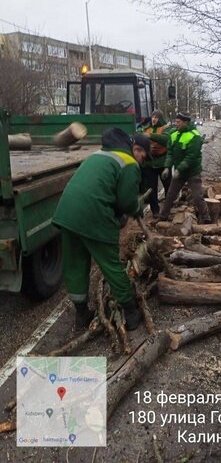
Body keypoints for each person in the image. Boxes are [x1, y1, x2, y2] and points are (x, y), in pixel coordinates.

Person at [52, 128, 152, 331]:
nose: (143, 159)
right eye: (144, 155)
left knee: (76, 264)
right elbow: (126, 200)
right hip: (92, 215)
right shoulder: (129, 162)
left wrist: (120, 213)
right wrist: (136, 209)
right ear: (136, 148)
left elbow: (105, 189)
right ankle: (131, 312)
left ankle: (81, 315)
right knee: (111, 265)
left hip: (66, 214)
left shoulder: (98, 155)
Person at [159, 111, 211, 223]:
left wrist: (179, 169)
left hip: (192, 172)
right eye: (176, 121)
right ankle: (163, 216)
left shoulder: (194, 136)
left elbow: (191, 157)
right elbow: (170, 153)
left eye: (178, 122)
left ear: (185, 122)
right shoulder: (173, 134)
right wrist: (167, 167)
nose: (176, 124)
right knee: (170, 195)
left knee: (197, 196)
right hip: (179, 172)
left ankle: (206, 217)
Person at [139, 110, 173, 218]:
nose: (154, 119)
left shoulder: (166, 128)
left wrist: (150, 136)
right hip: (149, 163)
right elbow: (139, 137)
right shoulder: (145, 127)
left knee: (169, 187)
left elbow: (166, 139)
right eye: (153, 117)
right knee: (151, 189)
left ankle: (167, 209)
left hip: (163, 163)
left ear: (160, 118)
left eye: (156, 117)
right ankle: (155, 211)